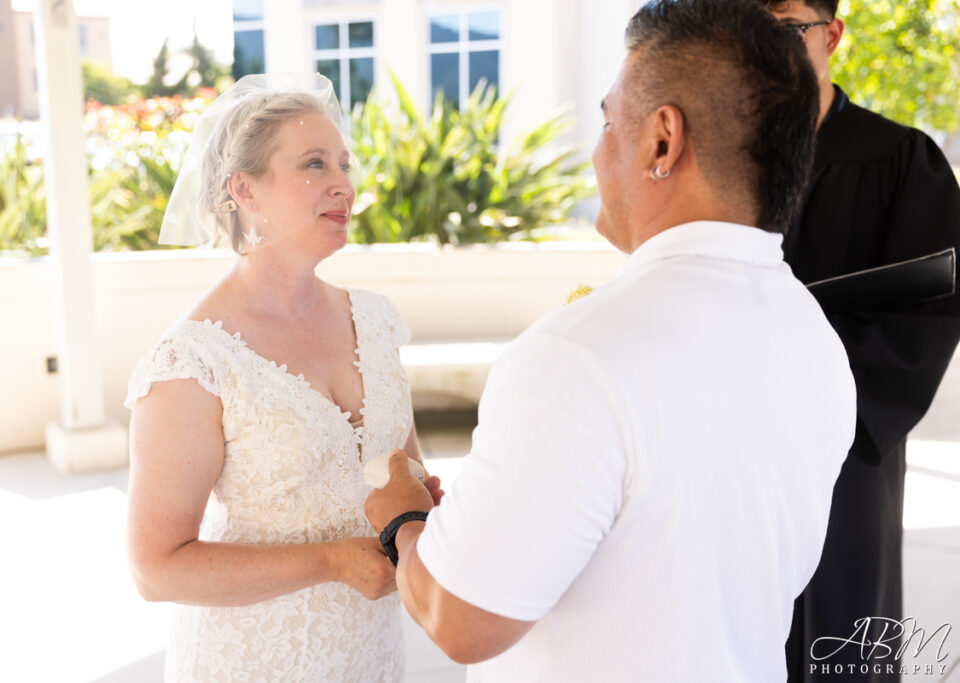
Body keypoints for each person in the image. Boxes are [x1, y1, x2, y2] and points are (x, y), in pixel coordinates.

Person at [364, 1, 856, 680]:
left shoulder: (579, 357)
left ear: (662, 140)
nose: (596, 151)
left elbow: (460, 618)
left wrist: (403, 522)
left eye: (605, 121)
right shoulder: (814, 335)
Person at [123, 74, 442, 682]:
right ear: (245, 190)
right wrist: (330, 562)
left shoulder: (373, 319)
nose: (343, 183)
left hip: (368, 656)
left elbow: (401, 463)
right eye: (314, 164)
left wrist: (421, 499)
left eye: (344, 164)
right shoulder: (192, 361)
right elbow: (156, 568)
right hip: (251, 661)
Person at [759, 2, 960, 681]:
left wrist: (810, 385)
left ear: (832, 36)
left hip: (846, 450)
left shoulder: (902, 159)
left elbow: (928, 313)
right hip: (737, 445)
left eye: (786, 28)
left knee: (841, 635)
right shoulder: (725, 157)